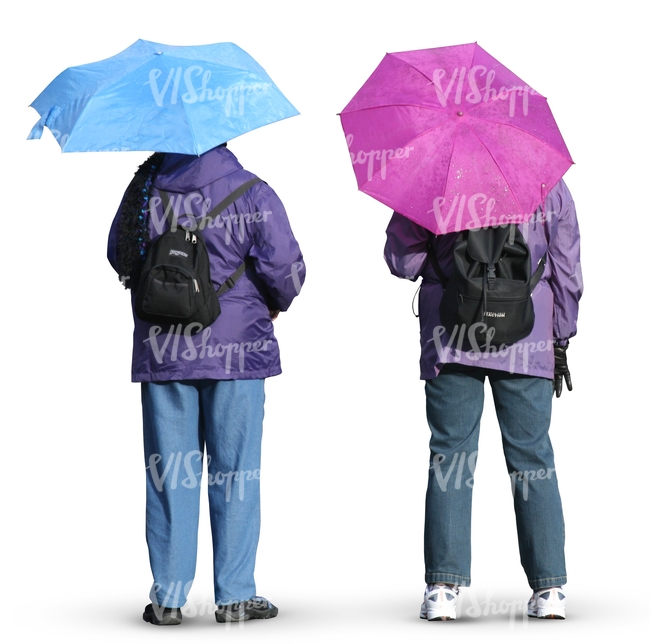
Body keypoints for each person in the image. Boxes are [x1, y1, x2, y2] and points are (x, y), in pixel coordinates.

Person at [107, 143, 305, 625]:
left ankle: (168, 598)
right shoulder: (253, 192)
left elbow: (118, 257)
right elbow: (287, 270)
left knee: (169, 471)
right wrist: (272, 303)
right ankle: (235, 596)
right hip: (237, 351)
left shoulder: (144, 191)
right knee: (236, 470)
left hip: (163, 348)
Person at [384, 179, 581, 621]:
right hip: (527, 337)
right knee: (532, 457)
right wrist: (562, 333)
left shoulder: (434, 179)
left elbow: (401, 260)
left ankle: (442, 590)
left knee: (451, 456)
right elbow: (566, 265)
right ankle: (549, 590)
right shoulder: (548, 183)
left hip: (451, 334)